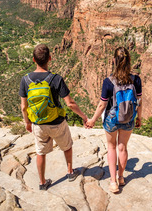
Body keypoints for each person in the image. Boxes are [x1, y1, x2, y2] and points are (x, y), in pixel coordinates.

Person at [19, 44, 88, 190]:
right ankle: (70, 172)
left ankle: (42, 183)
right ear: (50, 58)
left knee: (40, 152)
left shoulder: (25, 80)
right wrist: (84, 116)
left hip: (38, 123)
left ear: (33, 60)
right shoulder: (56, 79)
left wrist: (27, 122)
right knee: (67, 146)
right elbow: (70, 103)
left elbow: (24, 107)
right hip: (57, 122)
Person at [86, 47, 142, 193]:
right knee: (122, 147)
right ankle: (121, 177)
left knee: (111, 148)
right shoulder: (136, 79)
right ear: (129, 61)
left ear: (113, 61)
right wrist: (139, 117)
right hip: (128, 117)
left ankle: (113, 182)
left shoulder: (108, 81)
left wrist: (92, 120)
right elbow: (139, 101)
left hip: (112, 118)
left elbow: (102, 104)